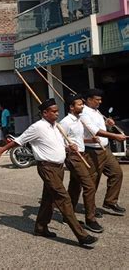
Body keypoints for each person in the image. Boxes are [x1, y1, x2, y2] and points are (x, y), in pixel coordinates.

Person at [0, 98, 98, 248]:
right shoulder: (37, 127)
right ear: (45, 113)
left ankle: (41, 227)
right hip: (47, 168)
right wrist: (1, 150)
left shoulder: (56, 126)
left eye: (57, 111)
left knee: (48, 199)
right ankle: (82, 235)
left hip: (59, 167)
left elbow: (58, 144)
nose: (57, 114)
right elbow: (19, 141)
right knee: (63, 199)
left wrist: (70, 148)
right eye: (54, 112)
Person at [60, 94, 103, 233]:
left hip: (82, 154)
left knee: (75, 186)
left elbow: (77, 139)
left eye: (82, 104)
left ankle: (68, 215)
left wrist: (91, 141)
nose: (82, 106)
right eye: (79, 104)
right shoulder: (66, 122)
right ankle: (90, 219)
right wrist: (67, 148)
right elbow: (59, 141)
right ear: (72, 107)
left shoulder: (79, 120)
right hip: (74, 157)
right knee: (89, 186)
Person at [80, 88, 126, 215]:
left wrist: (108, 124)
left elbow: (101, 127)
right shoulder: (84, 112)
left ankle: (110, 201)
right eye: (97, 100)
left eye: (100, 100)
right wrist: (114, 136)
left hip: (105, 149)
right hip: (92, 150)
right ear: (89, 100)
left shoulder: (97, 111)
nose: (99, 102)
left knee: (116, 173)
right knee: (93, 181)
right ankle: (90, 208)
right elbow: (95, 131)